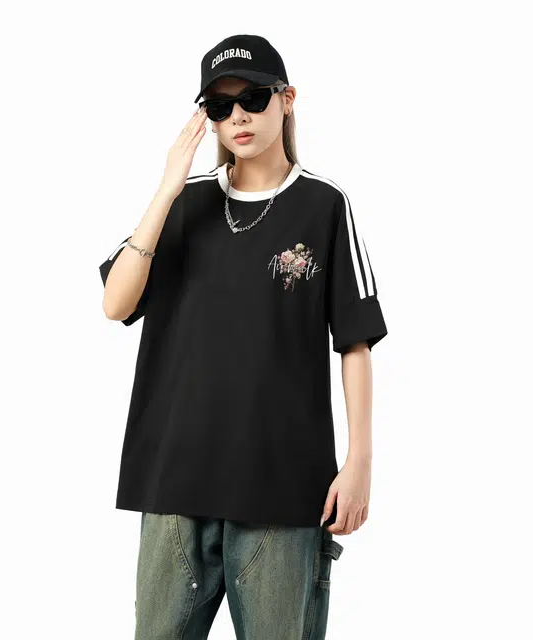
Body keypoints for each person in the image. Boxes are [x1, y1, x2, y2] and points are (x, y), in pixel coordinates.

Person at [99, 34, 388, 640]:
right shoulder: (186, 203)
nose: (239, 116)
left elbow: (355, 341)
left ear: (287, 99)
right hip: (175, 485)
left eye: (254, 98)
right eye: (220, 106)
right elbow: (115, 303)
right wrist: (167, 188)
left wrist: (359, 461)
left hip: (282, 490)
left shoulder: (323, 205)